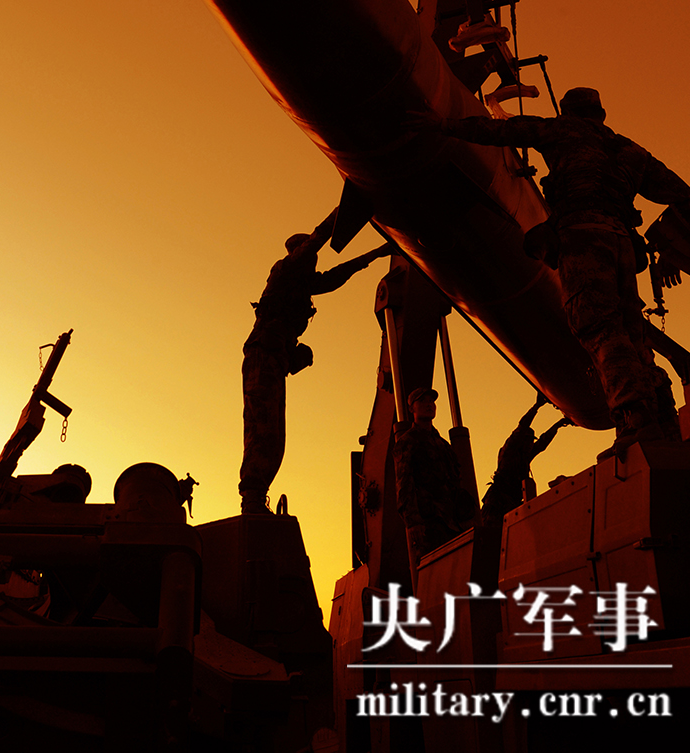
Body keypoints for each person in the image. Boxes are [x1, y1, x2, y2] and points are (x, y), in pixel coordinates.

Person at [429, 87, 690, 454]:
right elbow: (689, 201)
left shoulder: (560, 131)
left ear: (568, 112)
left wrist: (442, 125)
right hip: (622, 244)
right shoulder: (631, 151)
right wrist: (669, 249)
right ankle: (662, 423)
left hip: (582, 239)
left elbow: (500, 131)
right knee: (632, 336)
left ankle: (635, 420)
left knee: (599, 328)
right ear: (600, 114)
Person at [239, 222, 390, 514]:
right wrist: (340, 216)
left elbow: (340, 274)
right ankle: (252, 497)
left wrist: (378, 252)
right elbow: (317, 241)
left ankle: (257, 495)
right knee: (262, 427)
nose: (314, 262)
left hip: (275, 360)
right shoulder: (284, 272)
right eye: (309, 257)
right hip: (262, 356)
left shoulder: (304, 285)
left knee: (275, 435)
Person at [392, 387, 475, 556]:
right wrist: (413, 522)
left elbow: (455, 482)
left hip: (452, 523)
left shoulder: (443, 445)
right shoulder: (407, 442)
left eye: (431, 401)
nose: (429, 404)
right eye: (422, 401)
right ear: (411, 409)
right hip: (428, 523)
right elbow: (404, 484)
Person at [481, 394, 569, 524]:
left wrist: (558, 425)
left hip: (512, 502)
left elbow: (542, 443)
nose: (530, 444)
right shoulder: (509, 451)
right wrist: (536, 406)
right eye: (528, 441)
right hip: (497, 503)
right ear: (522, 441)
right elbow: (522, 427)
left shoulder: (525, 456)